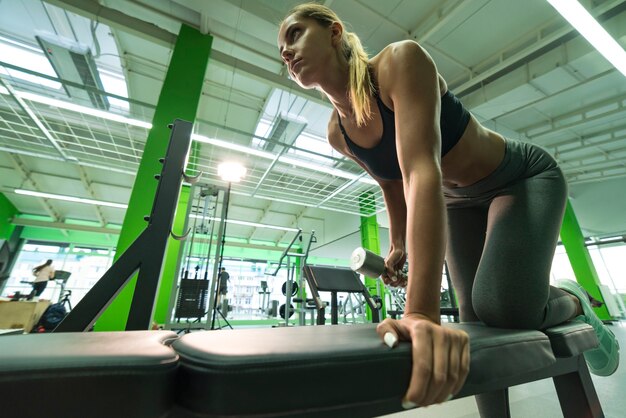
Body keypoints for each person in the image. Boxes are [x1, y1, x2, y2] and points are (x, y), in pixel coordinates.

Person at [277, 3, 619, 411]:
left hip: (518, 179)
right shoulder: (338, 133)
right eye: (282, 48)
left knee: (503, 308)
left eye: (295, 34)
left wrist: (419, 313)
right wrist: (398, 244)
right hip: (455, 202)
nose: (286, 51)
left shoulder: (399, 63)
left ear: (333, 31)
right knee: (477, 324)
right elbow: (391, 181)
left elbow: (421, 170)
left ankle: (573, 297)